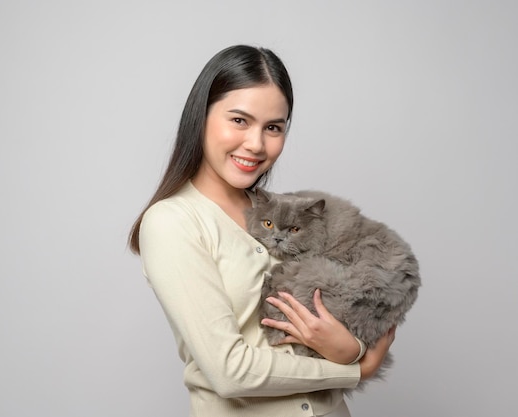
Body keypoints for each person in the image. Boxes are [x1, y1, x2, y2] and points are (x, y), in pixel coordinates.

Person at [127, 44, 395, 417]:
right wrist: (353, 368)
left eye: (273, 127)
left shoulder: (281, 211)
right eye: (239, 120)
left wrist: (351, 347)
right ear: (200, 117)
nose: (255, 144)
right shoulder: (173, 222)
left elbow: (343, 314)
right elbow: (230, 371)